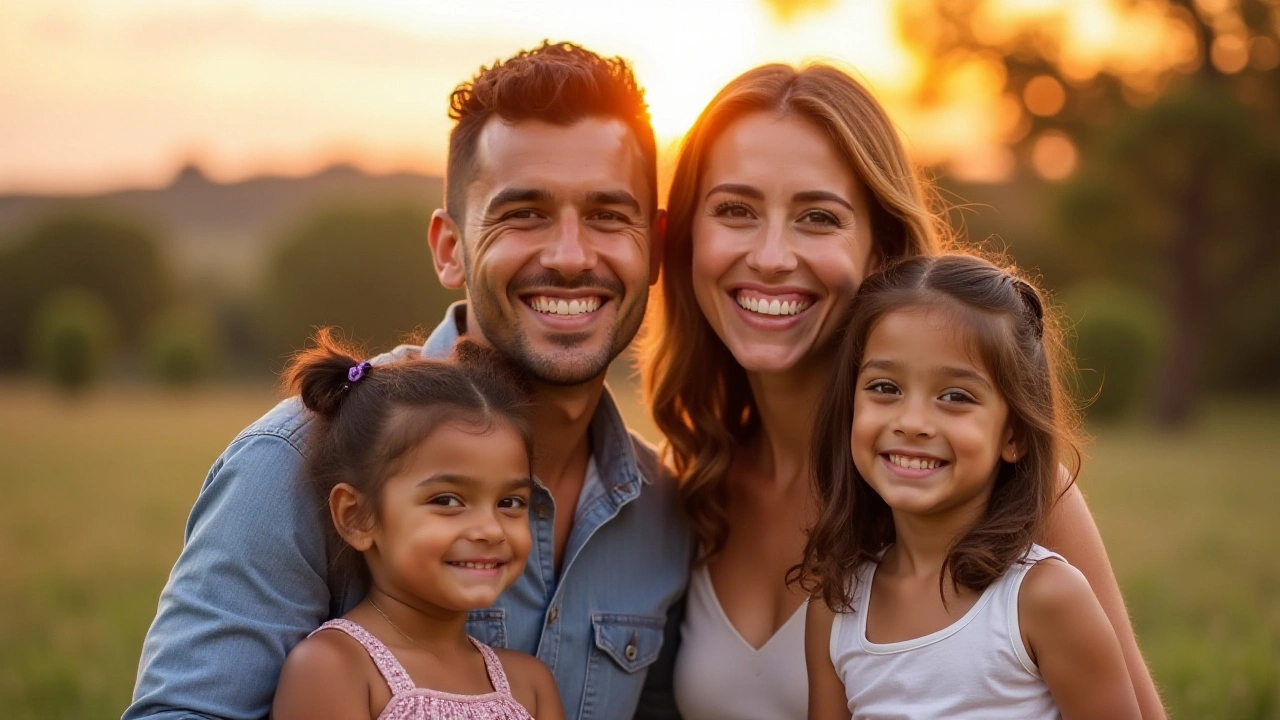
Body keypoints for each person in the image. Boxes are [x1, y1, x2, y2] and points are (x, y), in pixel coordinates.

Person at [126, 41, 693, 720]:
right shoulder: (297, 462)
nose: (570, 256)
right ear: (451, 248)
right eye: (525, 214)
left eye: (607, 215)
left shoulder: (665, 509)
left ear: (656, 247)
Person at [640, 63, 1165, 719]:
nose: (772, 255)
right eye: (735, 210)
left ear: (879, 248)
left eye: (818, 217)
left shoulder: (1005, 492)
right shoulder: (683, 487)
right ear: (685, 240)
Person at [797, 253, 1140, 719]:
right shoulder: (837, 610)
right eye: (884, 388)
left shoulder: (1044, 598)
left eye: (955, 397)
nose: (912, 422)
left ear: (1014, 435)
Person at [271, 332, 563, 720]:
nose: (491, 530)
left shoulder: (530, 686)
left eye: (510, 503)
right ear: (357, 517)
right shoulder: (335, 668)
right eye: (447, 501)